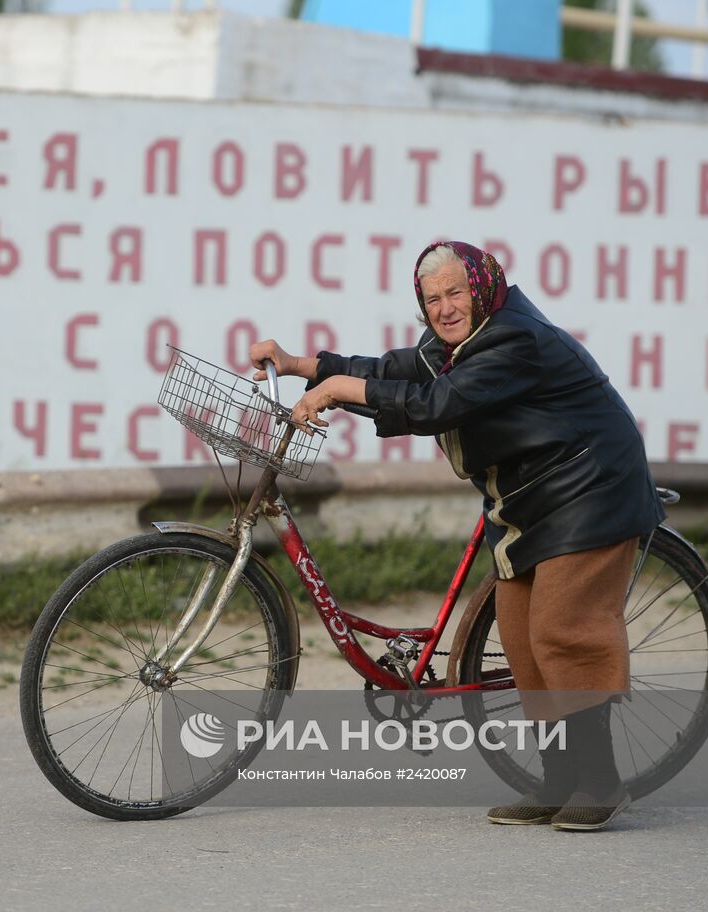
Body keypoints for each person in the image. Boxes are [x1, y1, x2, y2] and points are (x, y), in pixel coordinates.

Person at [249, 240, 664, 832]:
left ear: (483, 287)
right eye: (432, 299)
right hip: (531, 500)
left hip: (591, 490)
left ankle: (600, 782)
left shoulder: (514, 340)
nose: (444, 308)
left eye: (456, 292)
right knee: (520, 638)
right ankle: (557, 781)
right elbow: (393, 371)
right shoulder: (456, 344)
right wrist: (300, 365)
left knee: (562, 631)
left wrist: (338, 392)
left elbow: (437, 404)